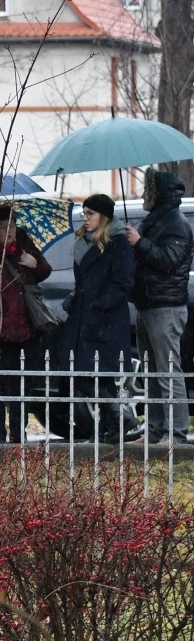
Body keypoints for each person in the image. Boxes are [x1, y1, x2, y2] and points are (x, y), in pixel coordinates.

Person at [60, 195, 136, 442]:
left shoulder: (118, 243)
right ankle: (113, 424)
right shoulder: (83, 242)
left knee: (96, 374)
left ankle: (117, 421)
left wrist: (100, 305)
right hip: (83, 318)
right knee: (80, 374)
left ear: (104, 216)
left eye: (90, 213)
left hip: (105, 320)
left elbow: (123, 282)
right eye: (84, 213)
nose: (86, 218)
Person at [124, 171, 193, 444]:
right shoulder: (155, 220)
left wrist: (139, 242)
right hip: (147, 304)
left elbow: (168, 260)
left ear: (157, 194)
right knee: (152, 373)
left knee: (168, 372)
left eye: (147, 191)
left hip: (165, 307)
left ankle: (175, 433)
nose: (142, 195)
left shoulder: (176, 223)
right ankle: (154, 431)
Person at [0, 205, 53, 443]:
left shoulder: (24, 244)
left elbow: (45, 271)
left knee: (20, 386)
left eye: (12, 225)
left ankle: (17, 433)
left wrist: (34, 263)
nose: (10, 230)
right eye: (3, 226)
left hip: (25, 330)